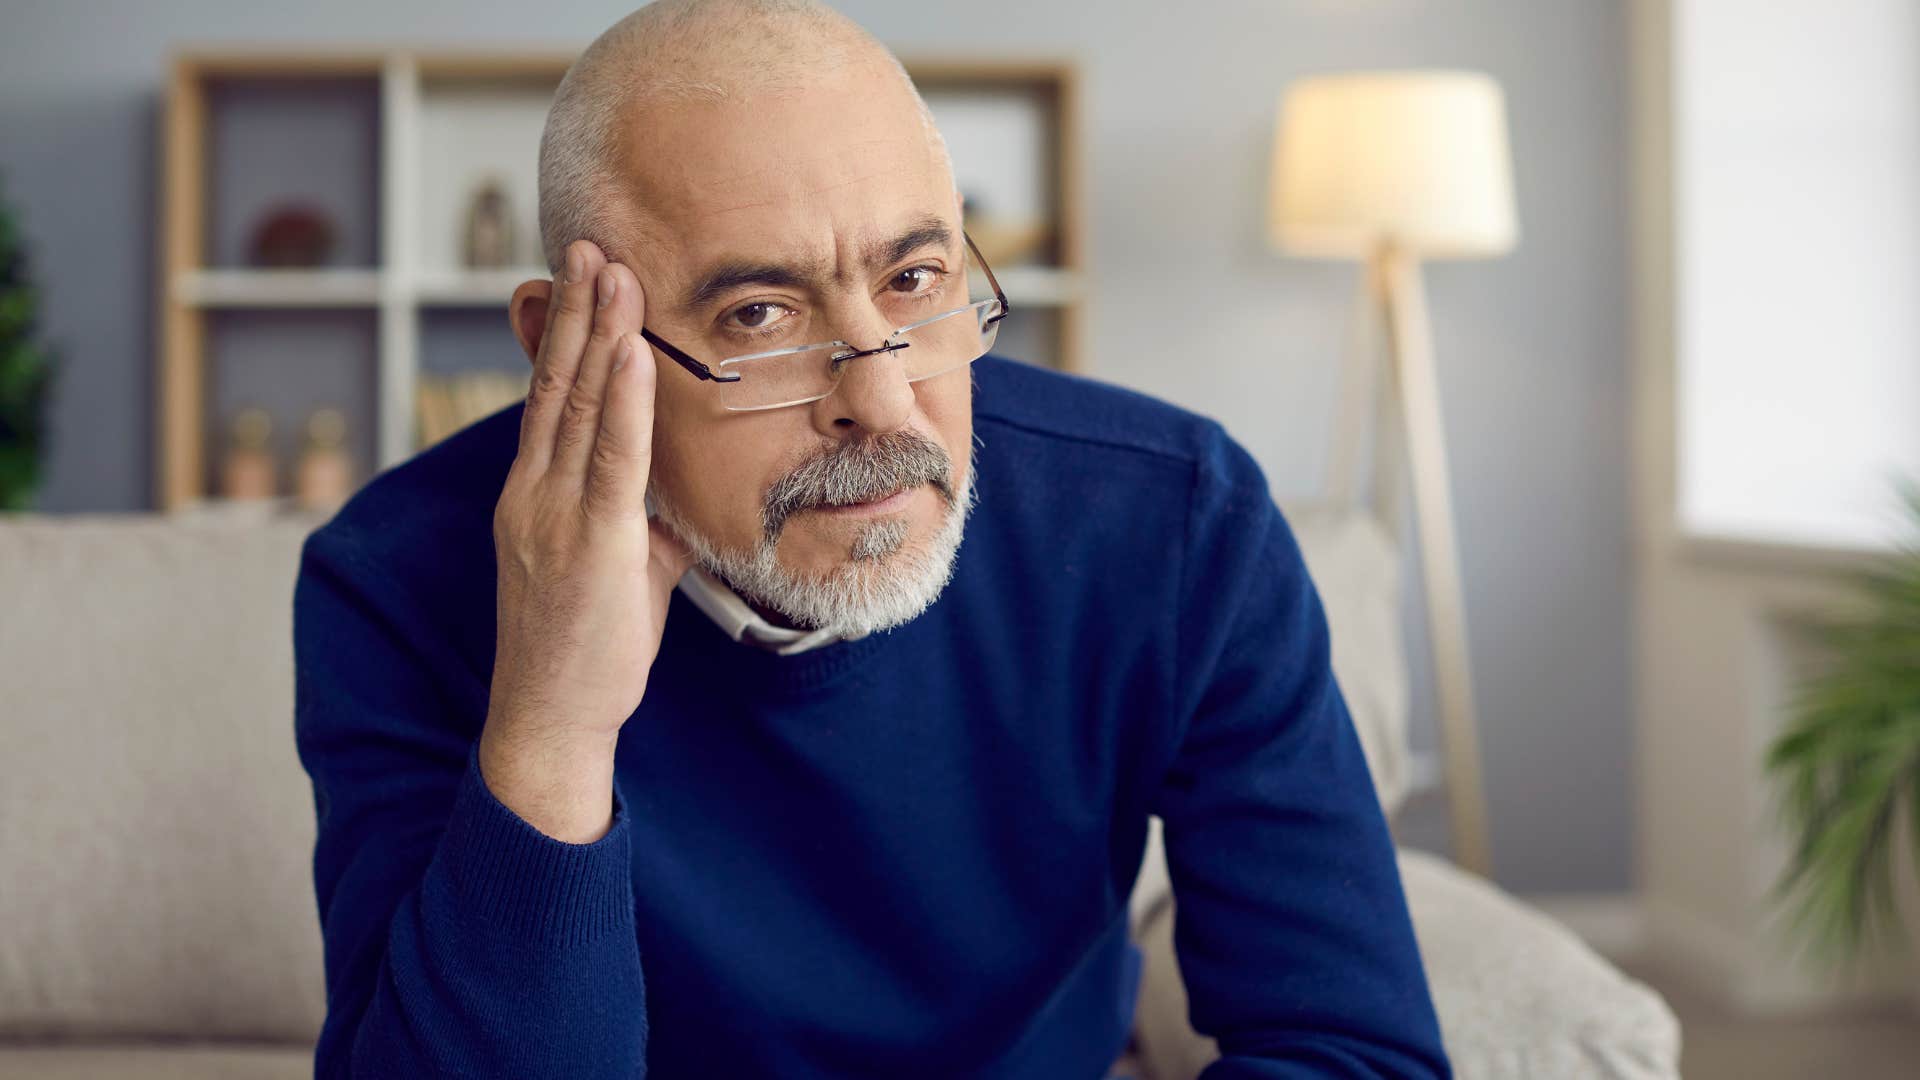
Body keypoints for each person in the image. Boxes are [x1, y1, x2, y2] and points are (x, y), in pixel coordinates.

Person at [292, 1, 1450, 1076]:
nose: (884, 401)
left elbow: (1353, 1051)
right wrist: (550, 725)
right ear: (568, 350)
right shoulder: (392, 582)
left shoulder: (1180, 524)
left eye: (914, 279)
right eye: (760, 316)